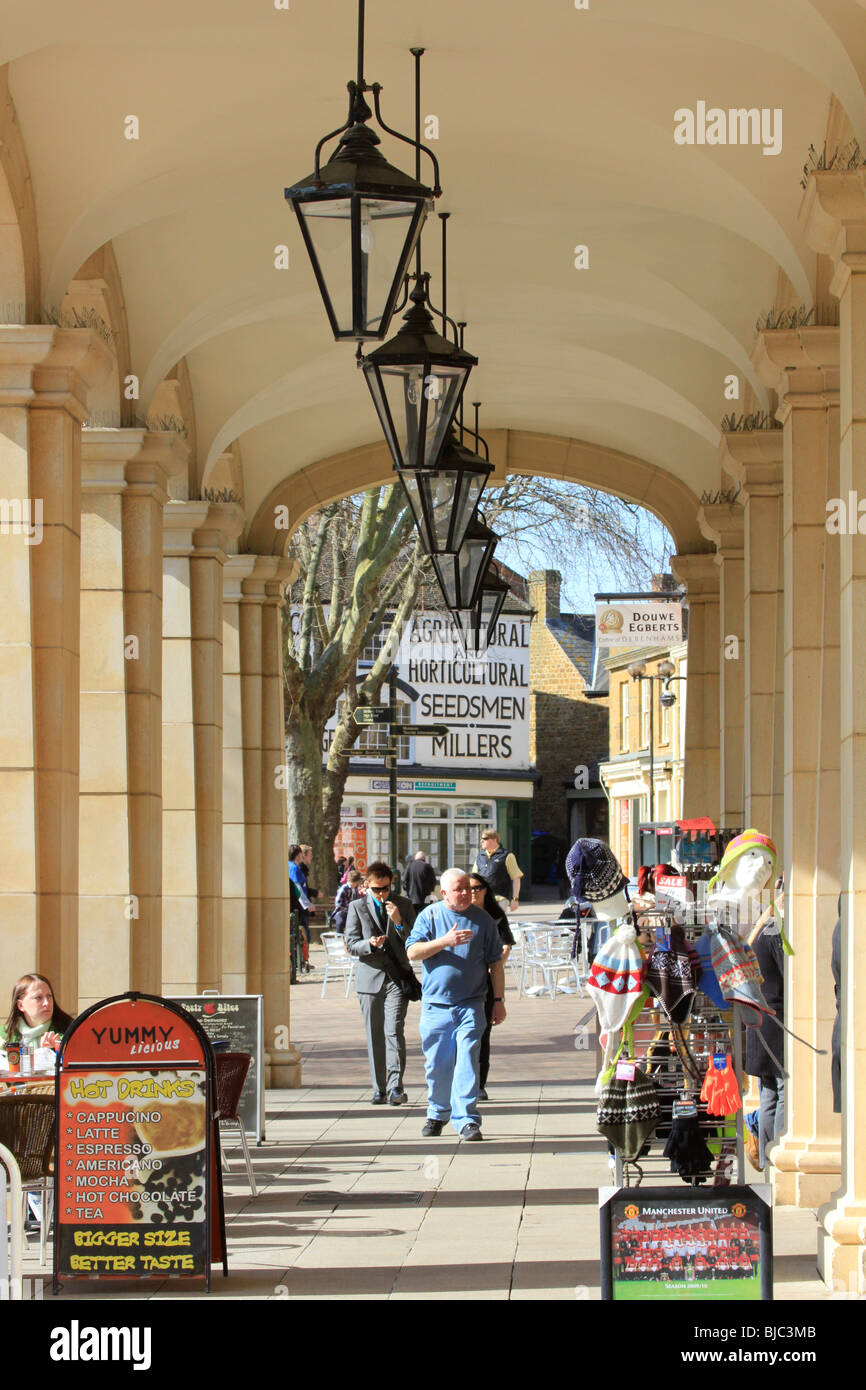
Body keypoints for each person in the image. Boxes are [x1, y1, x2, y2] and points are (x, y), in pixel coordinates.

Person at [405, 867, 505, 1141]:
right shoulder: (430, 915)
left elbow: (495, 964)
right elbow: (412, 951)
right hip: (436, 1006)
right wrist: (444, 941)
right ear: (444, 893)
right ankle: (437, 1113)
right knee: (437, 1065)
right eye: (459, 889)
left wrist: (498, 1000)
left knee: (468, 1060)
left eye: (469, 889)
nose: (466, 894)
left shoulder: (483, 920)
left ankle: (467, 1120)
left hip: (471, 1003)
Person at [344, 861, 417, 1105]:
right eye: (376, 889)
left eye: (386, 888)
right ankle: (380, 1088)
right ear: (367, 885)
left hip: (397, 976)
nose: (382, 894)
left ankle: (396, 1086)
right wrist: (369, 945)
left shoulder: (403, 905)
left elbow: (414, 941)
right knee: (375, 1034)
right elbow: (351, 944)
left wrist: (397, 921)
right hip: (370, 979)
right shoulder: (356, 907)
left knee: (394, 1030)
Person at [468, 874, 515, 1100]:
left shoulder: (495, 916)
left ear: (486, 890)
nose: (474, 892)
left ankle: (480, 1083)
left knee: (483, 1033)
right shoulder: (460, 915)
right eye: (470, 888)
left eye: (478, 888)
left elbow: (507, 945)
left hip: (487, 978)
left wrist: (496, 965)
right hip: (467, 980)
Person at [1, 973, 72, 1049]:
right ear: (20, 1005)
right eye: (38, 997)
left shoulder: (70, 1031)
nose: (46, 1003)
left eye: (49, 996)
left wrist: (59, 1048)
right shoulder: (3, 1036)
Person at [471, 828, 523, 913]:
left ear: (494, 840)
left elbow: (516, 878)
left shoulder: (507, 855)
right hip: (481, 898)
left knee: (497, 924)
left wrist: (515, 899)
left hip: (499, 899)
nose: (481, 841)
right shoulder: (480, 856)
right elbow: (473, 878)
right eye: (481, 839)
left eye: (485, 839)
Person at [289, 844, 313, 969]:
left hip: (298, 907)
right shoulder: (293, 868)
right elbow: (298, 888)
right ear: (298, 855)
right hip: (298, 907)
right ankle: (302, 960)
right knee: (303, 934)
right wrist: (307, 905)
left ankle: (302, 960)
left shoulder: (294, 867)